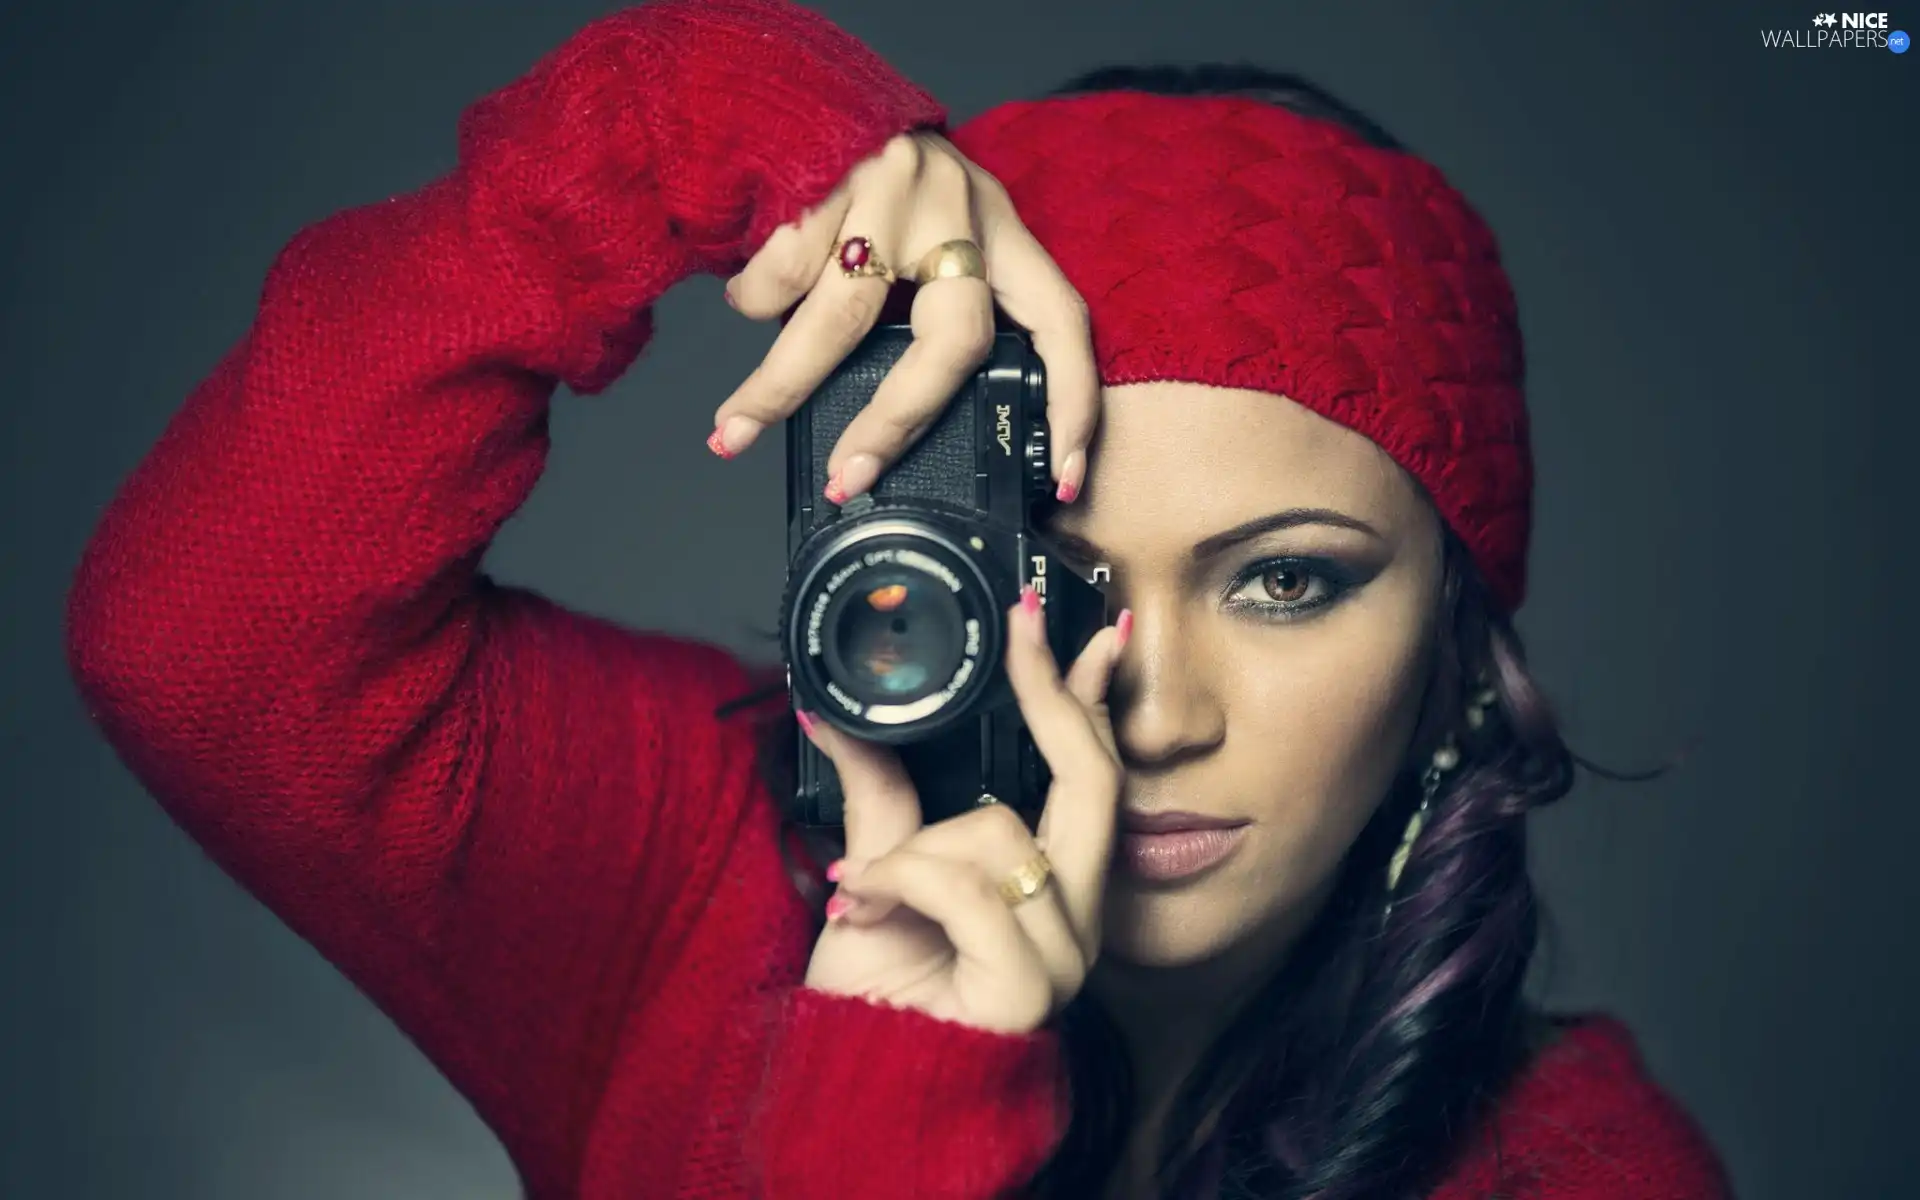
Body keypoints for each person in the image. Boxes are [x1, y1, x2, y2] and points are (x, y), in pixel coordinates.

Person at [63, 1, 1734, 1196]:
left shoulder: (1575, 1170)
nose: (1153, 706)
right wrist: (675, 116)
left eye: (1288, 581)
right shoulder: (686, 879)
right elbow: (202, 645)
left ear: (1455, 649)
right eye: (1055, 583)